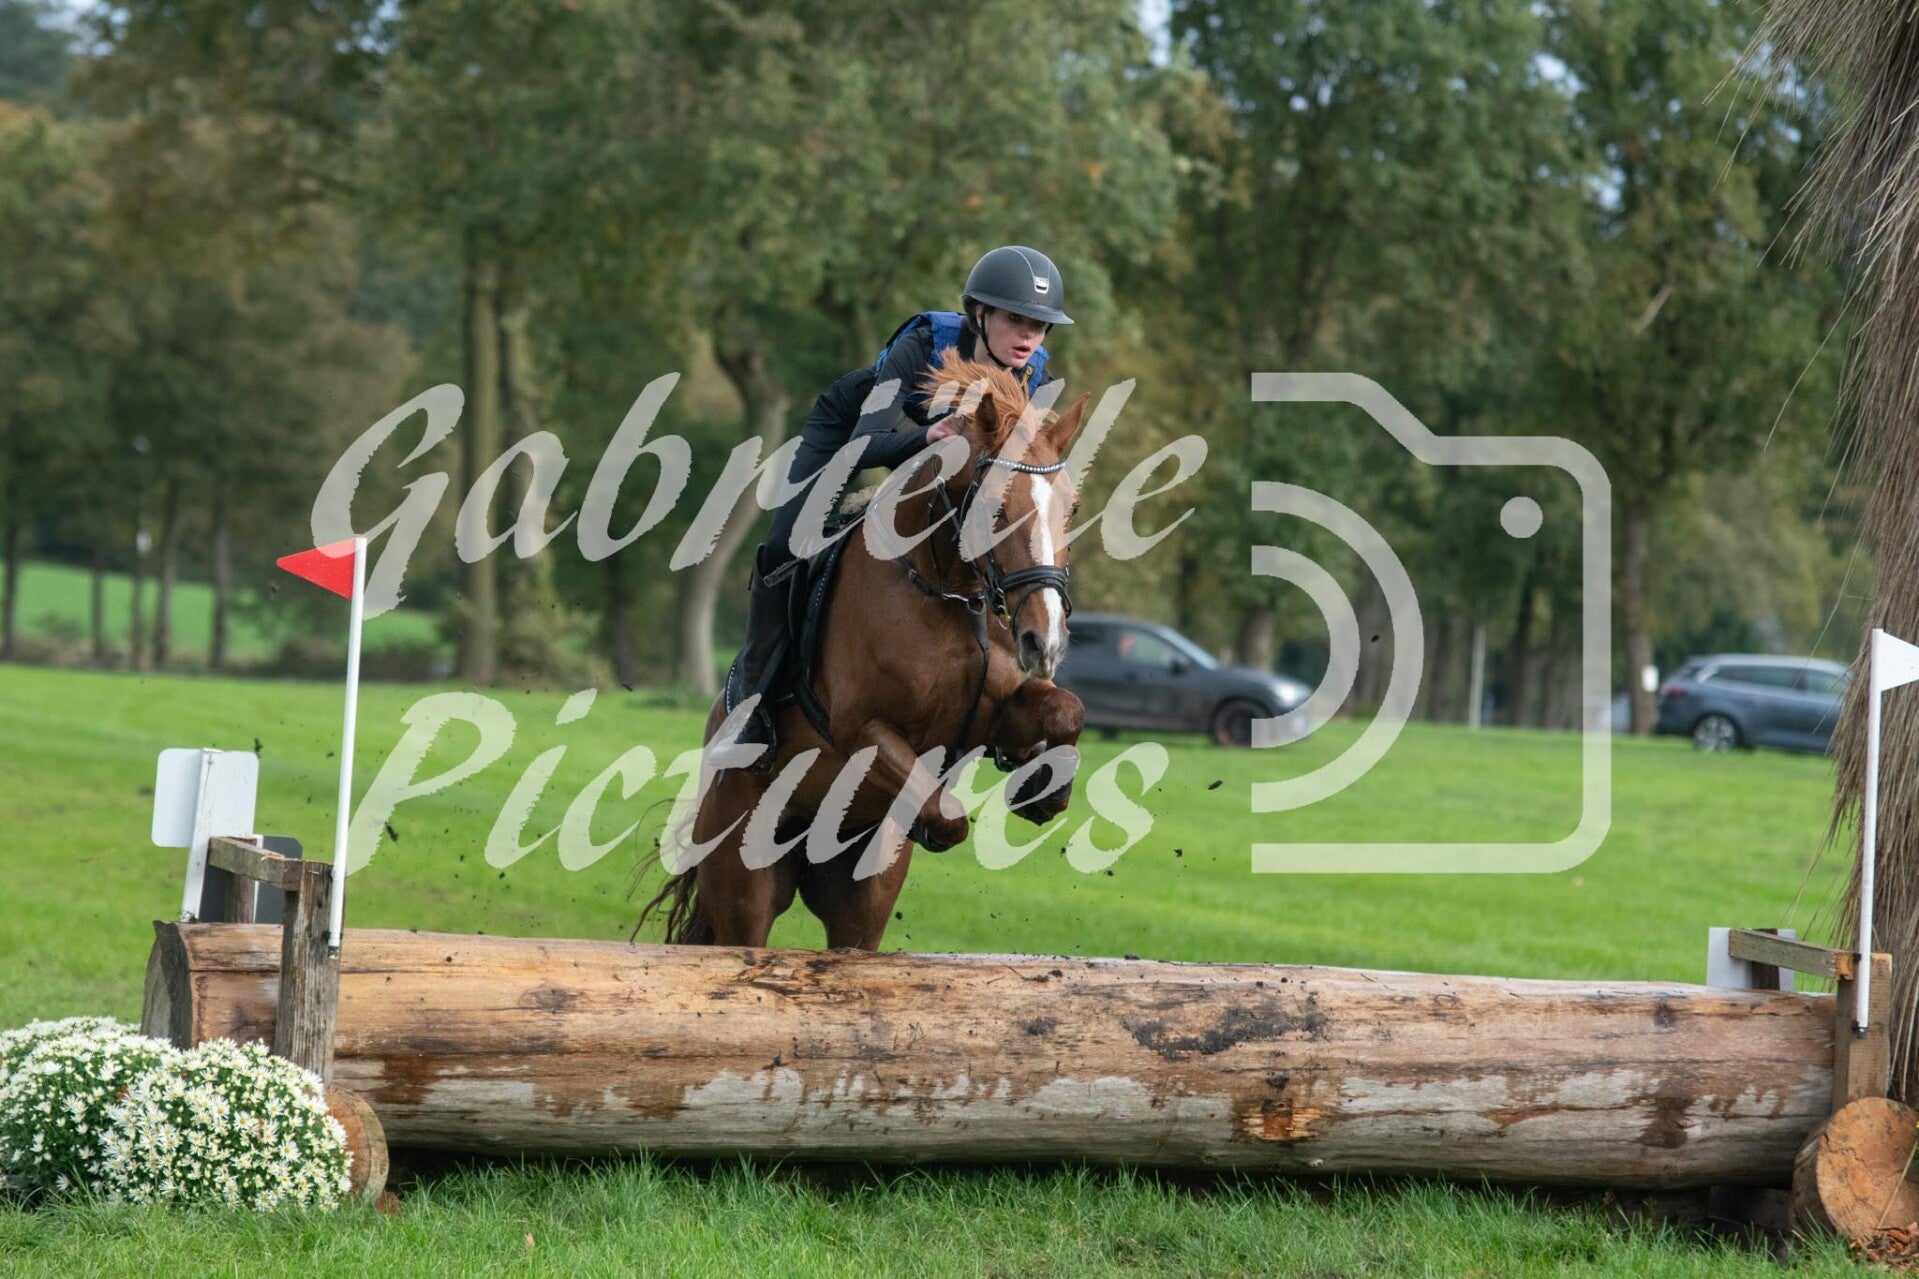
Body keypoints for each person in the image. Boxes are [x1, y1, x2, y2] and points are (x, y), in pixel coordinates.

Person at [725, 244, 1076, 763]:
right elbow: (865, 446)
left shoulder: (1034, 376)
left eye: (1039, 326)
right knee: (786, 545)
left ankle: (1004, 703)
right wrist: (926, 436)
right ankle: (752, 699)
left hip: (939, 462)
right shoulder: (922, 344)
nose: (1027, 336)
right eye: (1014, 319)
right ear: (979, 313)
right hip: (851, 434)